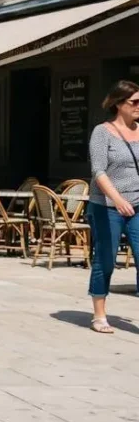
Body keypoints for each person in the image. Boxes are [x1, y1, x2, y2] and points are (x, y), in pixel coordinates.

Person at [86, 80, 139, 335]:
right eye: (135, 102)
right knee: (106, 260)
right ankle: (99, 314)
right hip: (106, 205)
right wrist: (117, 199)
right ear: (119, 104)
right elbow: (98, 171)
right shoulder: (102, 132)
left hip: (138, 205)